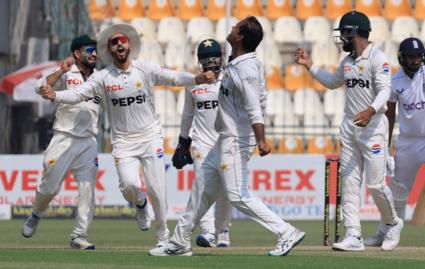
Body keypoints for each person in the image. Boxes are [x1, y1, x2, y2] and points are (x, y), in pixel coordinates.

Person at [38, 24, 216, 250]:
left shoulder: (145, 69)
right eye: (114, 43)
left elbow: (172, 78)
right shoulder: (103, 77)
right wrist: (55, 96)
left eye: (122, 40)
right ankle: (140, 203)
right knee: (129, 185)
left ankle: (163, 237)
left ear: (129, 45)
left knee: (157, 189)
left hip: (150, 137)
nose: (119, 44)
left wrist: (197, 79)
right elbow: (78, 94)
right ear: (109, 51)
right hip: (123, 142)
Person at [148, 16, 305, 257]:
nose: (230, 29)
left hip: (236, 138)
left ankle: (286, 232)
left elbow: (254, 106)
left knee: (237, 194)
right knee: (201, 189)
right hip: (225, 137)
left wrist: (261, 139)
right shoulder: (237, 63)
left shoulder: (246, 68)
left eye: (235, 27)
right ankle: (179, 242)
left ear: (240, 36)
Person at [295, 11, 403, 251]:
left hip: (373, 128)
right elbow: (333, 82)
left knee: (375, 185)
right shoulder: (347, 62)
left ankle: (392, 223)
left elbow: (386, 91)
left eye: (345, 32)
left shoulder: (378, 58)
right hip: (349, 129)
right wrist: (309, 66)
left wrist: (370, 111)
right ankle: (353, 234)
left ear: (355, 32)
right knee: (350, 182)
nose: (342, 37)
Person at [364, 37, 425, 248]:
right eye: (411, 56)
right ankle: (384, 233)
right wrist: (386, 150)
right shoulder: (395, 82)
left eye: (418, 56)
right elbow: (388, 116)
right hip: (407, 142)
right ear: (402, 58)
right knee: (397, 190)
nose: (416, 60)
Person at [22, 35, 100, 250]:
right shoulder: (68, 73)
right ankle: (36, 213)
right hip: (63, 137)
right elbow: (40, 88)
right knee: (50, 188)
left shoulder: (101, 77)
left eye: (95, 49)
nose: (94, 53)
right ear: (76, 54)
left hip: (88, 141)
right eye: (89, 49)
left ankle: (79, 236)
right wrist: (61, 71)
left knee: (87, 189)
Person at [171, 38, 233, 248]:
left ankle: (222, 231)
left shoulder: (229, 78)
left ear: (221, 58)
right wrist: (182, 142)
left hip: (224, 141)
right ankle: (207, 232)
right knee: (201, 185)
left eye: (213, 57)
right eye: (205, 58)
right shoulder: (193, 82)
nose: (209, 62)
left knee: (226, 188)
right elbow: (187, 114)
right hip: (201, 143)